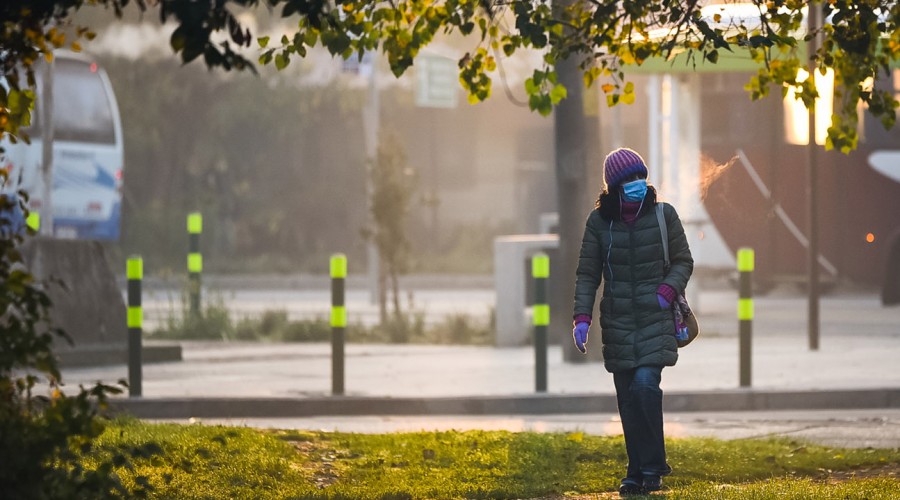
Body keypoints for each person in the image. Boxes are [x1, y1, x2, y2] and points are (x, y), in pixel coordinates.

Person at [571, 147, 693, 497]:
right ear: (614, 186)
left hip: (655, 319)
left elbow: (684, 260)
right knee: (627, 400)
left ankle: (652, 467)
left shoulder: (663, 216)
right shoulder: (599, 223)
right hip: (619, 321)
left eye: (641, 177)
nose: (638, 184)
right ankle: (636, 471)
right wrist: (581, 317)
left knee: (644, 387)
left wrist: (667, 291)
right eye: (629, 180)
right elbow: (586, 274)